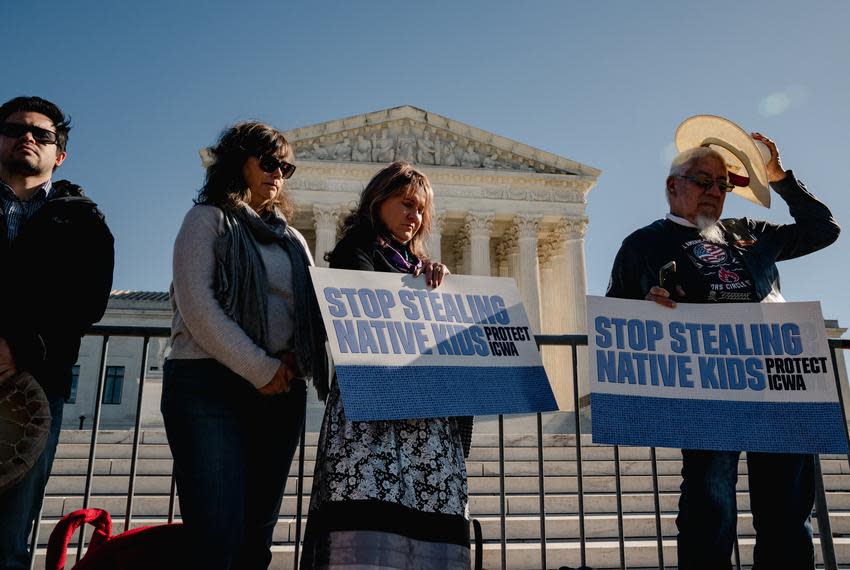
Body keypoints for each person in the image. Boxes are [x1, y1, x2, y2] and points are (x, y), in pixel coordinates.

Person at [606, 132, 840, 569]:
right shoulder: (643, 244)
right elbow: (615, 318)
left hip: (778, 384)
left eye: (723, 185)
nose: (715, 192)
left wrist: (778, 177)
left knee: (788, 512)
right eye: (703, 180)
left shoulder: (750, 234)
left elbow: (823, 230)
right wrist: (645, 307)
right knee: (709, 508)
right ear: (673, 186)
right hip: (708, 394)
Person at [162, 121, 326, 569]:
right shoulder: (206, 219)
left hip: (280, 389)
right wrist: (259, 367)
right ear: (239, 162)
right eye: (269, 162)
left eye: (286, 168)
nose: (278, 174)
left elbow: (313, 310)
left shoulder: (292, 239)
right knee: (217, 533)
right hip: (209, 387)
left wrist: (294, 361)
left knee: (256, 538)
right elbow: (198, 306)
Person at [301, 161, 471, 570]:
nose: (415, 217)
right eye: (407, 205)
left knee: (427, 521)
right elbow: (365, 303)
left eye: (421, 211)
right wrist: (417, 290)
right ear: (379, 201)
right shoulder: (355, 249)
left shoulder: (418, 264)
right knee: (369, 514)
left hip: (423, 421)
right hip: (371, 419)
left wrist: (438, 284)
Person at [0, 96, 114, 569]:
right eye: (14, 129)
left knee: (9, 534)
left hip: (35, 386)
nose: (28, 137)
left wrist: (18, 348)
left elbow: (85, 303)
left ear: (58, 154)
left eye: (42, 134)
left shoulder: (83, 220)